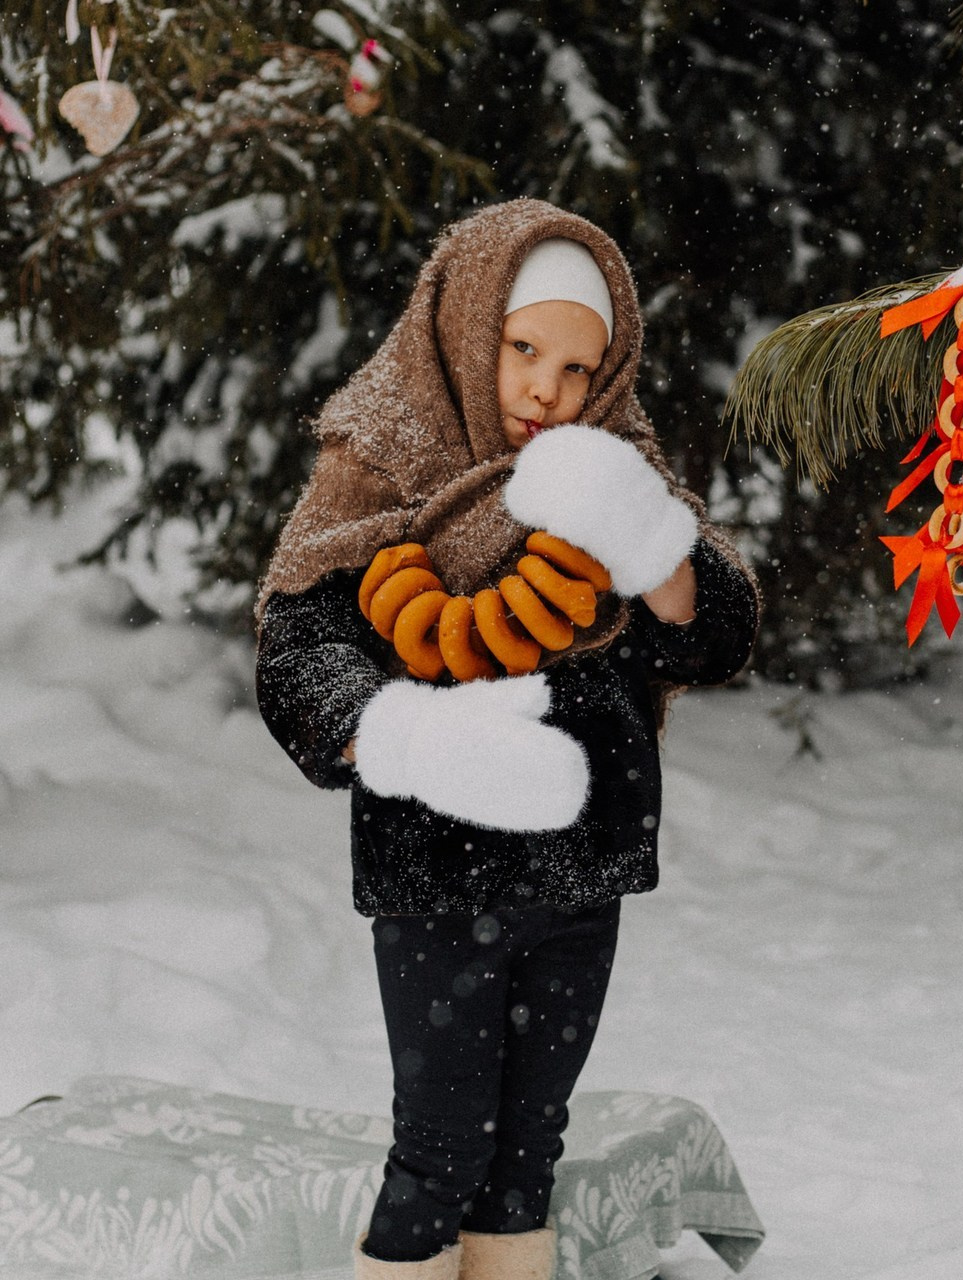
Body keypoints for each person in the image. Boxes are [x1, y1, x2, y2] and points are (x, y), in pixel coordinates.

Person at [255, 198, 759, 1280]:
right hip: (439, 870)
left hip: (584, 865)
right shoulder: (385, 463)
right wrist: (405, 736)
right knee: (439, 1150)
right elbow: (296, 643)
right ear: (463, 326)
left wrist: (655, 552)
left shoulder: (612, 463)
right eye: (524, 349)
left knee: (526, 1153)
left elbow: (714, 634)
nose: (549, 389)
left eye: (580, 367)